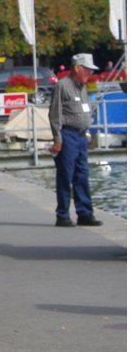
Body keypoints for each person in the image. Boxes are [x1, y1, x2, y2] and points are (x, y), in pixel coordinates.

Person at [48, 53, 104, 228]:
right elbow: (55, 114)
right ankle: (62, 215)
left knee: (82, 175)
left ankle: (85, 213)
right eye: (87, 69)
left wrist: (86, 132)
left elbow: (82, 110)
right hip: (68, 135)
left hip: (80, 136)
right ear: (77, 68)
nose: (90, 73)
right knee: (65, 175)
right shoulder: (63, 86)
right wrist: (58, 138)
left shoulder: (82, 87)